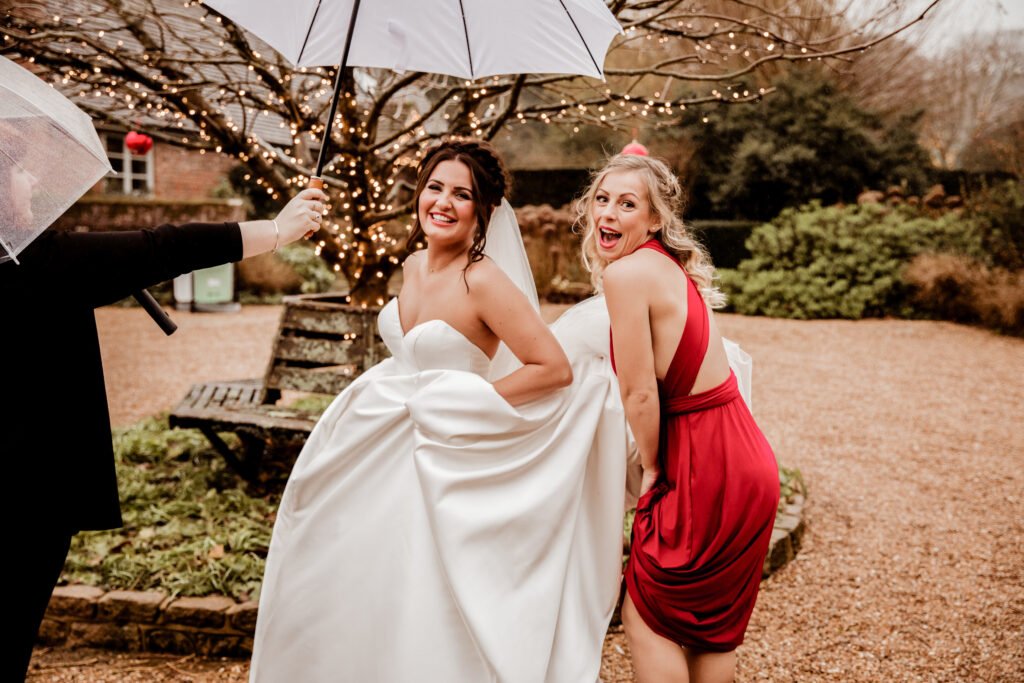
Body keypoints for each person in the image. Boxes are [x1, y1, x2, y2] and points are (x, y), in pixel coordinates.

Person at [249, 139, 630, 682]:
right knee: (355, 579)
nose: (443, 203)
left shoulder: (484, 279)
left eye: (461, 194)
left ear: (483, 211)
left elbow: (552, 367)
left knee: (424, 591)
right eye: (434, 188)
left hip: (442, 456)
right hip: (375, 441)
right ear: (419, 195)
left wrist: (470, 402)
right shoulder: (411, 264)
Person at [1, 116, 328, 682]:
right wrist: (277, 230)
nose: (31, 180)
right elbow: (164, 247)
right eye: (20, 171)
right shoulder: (36, 268)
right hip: (24, 500)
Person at [575, 153, 779, 683]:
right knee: (711, 634)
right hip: (749, 464)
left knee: (647, 620)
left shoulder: (625, 275)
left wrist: (656, 469)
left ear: (655, 218)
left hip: (700, 467)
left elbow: (639, 394)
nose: (609, 214)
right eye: (603, 200)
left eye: (627, 204)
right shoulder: (672, 268)